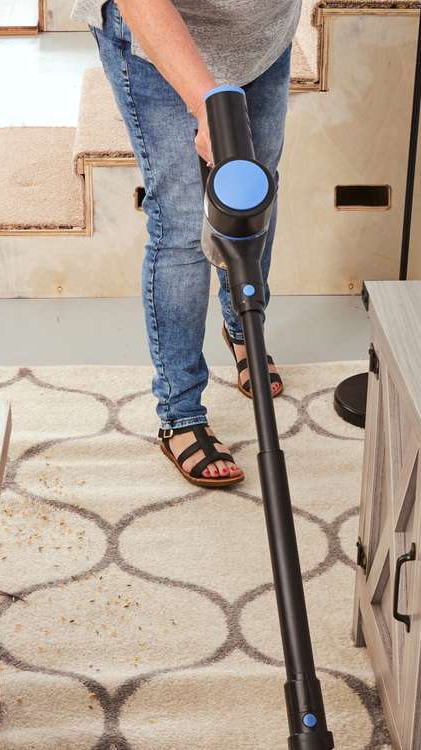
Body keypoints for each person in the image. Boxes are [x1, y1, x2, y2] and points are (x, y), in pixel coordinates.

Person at [74, 0, 301, 488]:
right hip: (161, 42)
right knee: (180, 224)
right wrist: (206, 106)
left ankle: (244, 333)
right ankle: (180, 412)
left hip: (262, 37)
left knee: (254, 191)